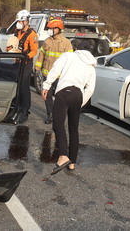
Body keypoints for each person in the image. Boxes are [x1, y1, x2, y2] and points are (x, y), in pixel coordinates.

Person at [42, 41, 96, 175]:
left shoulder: (68, 56)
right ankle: (72, 162)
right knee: (73, 129)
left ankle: (63, 156)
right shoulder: (91, 66)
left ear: (76, 48)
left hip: (64, 92)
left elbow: (55, 70)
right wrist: (81, 102)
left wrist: (46, 85)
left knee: (58, 124)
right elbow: (90, 88)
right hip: (78, 94)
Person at [35, 18, 73, 124]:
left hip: (60, 76)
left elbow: (70, 60)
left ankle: (59, 115)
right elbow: (41, 56)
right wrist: (37, 69)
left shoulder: (66, 43)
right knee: (47, 96)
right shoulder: (47, 41)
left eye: (52, 28)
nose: (50, 30)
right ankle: (50, 115)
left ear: (58, 29)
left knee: (60, 97)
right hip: (47, 75)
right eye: (49, 28)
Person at [13, 9, 38, 124]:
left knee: (24, 87)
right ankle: (17, 106)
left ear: (27, 21)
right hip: (17, 62)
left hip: (26, 64)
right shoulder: (17, 32)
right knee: (17, 85)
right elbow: (13, 44)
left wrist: (26, 57)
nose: (19, 23)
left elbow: (34, 51)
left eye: (21, 21)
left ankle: (25, 109)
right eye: (18, 21)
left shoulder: (32, 35)